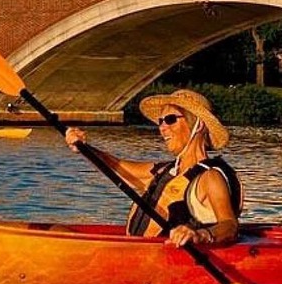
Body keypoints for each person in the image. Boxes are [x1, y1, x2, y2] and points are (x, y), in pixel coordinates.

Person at [64, 88, 242, 248]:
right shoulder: (164, 171)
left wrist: (201, 235)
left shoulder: (210, 177)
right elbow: (118, 167)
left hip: (169, 263)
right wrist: (84, 148)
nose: (162, 128)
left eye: (170, 120)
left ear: (198, 125)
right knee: (58, 229)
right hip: (136, 253)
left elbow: (229, 225)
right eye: (160, 121)